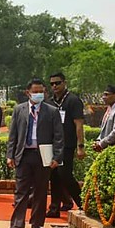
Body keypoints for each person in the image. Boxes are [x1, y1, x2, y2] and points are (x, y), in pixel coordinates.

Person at [7, 78, 64, 228]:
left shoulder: (51, 111)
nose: (39, 94)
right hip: (23, 154)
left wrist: (57, 157)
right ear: (28, 93)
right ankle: (18, 223)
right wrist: (10, 155)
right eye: (35, 91)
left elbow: (58, 135)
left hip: (43, 155)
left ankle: (37, 222)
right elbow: (13, 135)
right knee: (21, 190)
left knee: (40, 190)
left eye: (41, 91)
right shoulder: (19, 110)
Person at [45, 72, 86, 218]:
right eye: (52, 84)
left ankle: (83, 203)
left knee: (65, 174)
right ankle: (54, 208)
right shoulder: (50, 102)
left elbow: (79, 124)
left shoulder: (73, 101)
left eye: (58, 83)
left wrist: (80, 146)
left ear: (64, 83)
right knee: (53, 176)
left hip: (67, 145)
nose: (55, 86)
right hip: (52, 145)